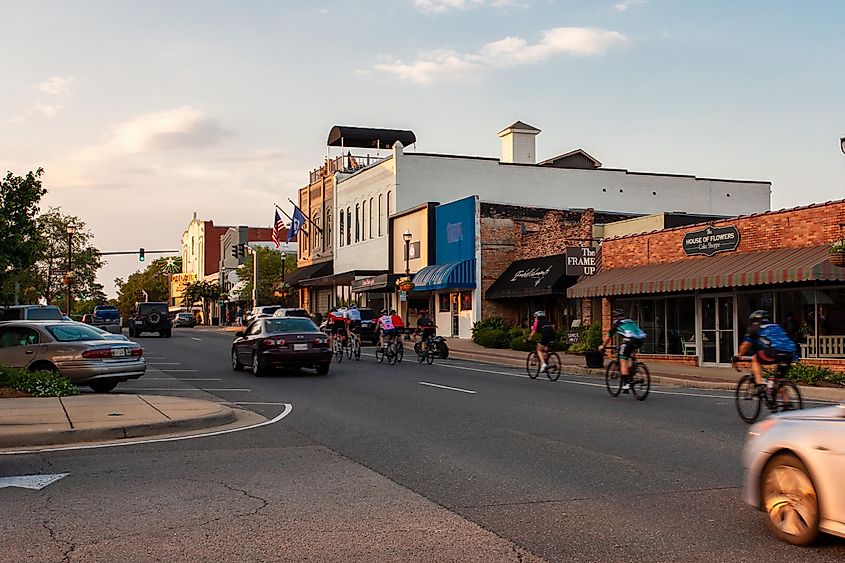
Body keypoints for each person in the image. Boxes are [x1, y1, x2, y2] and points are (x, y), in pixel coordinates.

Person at [733, 310, 797, 398]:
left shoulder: (755, 328)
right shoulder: (777, 327)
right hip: (789, 353)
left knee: (755, 358)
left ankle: (759, 386)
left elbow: (745, 346)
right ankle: (787, 404)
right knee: (779, 381)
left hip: (774, 351)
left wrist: (738, 356)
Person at [599, 309, 647, 393]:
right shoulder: (630, 321)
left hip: (630, 340)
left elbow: (608, 337)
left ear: (615, 317)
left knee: (623, 360)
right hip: (641, 339)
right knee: (629, 352)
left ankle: (626, 384)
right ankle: (634, 368)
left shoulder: (617, 323)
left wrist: (603, 346)